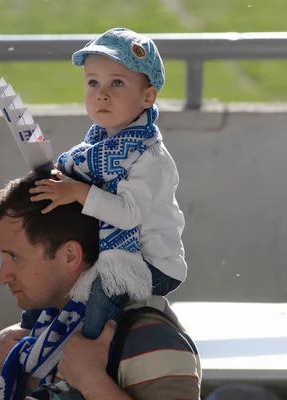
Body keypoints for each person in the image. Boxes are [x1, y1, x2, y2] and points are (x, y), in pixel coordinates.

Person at [26, 27, 187, 340]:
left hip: (152, 263)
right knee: (50, 274)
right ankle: (36, 341)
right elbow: (79, 184)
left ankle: (90, 363)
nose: (102, 93)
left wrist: (75, 191)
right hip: (107, 252)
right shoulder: (96, 149)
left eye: (117, 83)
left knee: (103, 292)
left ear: (148, 96)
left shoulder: (150, 156)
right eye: (92, 82)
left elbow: (128, 213)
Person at [0, 171, 201, 400]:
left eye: (14, 257)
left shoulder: (150, 338)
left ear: (70, 256)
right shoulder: (45, 330)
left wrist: (93, 383)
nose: (2, 276)